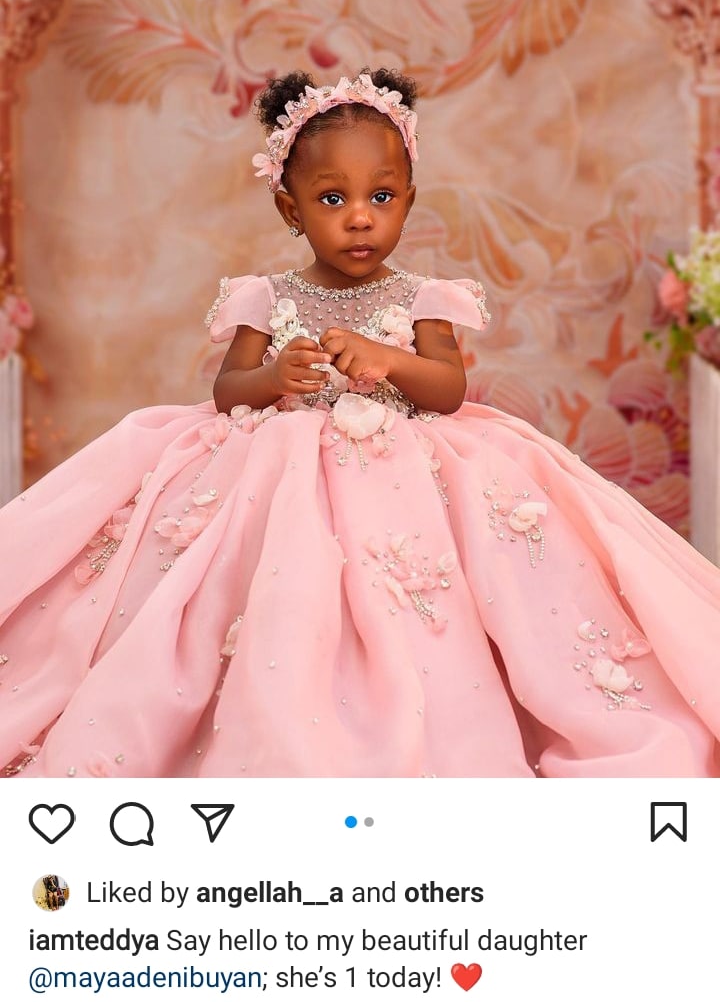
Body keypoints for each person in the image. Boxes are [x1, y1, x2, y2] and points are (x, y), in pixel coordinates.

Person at [1, 67, 719, 779]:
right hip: (279, 475)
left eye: (380, 196)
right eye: (331, 198)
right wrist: (273, 379)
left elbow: (447, 390)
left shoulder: (424, 299)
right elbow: (227, 391)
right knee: (271, 586)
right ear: (290, 210)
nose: (359, 217)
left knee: (453, 592)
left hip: (406, 477)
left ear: (408, 199)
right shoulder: (265, 298)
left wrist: (389, 359)